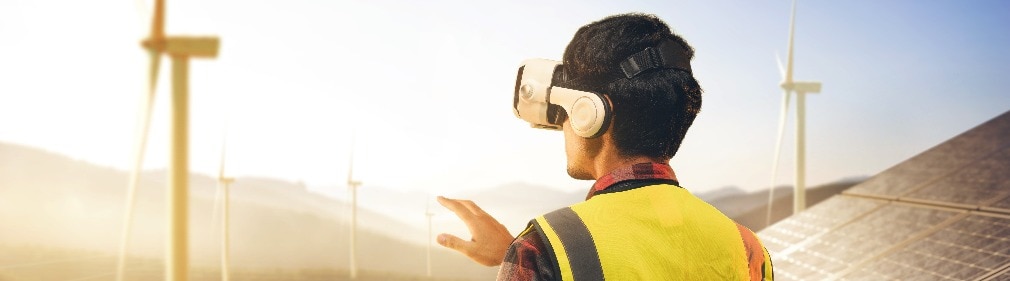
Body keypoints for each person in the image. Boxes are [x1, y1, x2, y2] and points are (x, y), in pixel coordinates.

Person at [437, 13, 774, 280]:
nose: (562, 127)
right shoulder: (747, 247)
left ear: (588, 113)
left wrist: (525, 258)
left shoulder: (545, 246)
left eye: (564, 114)